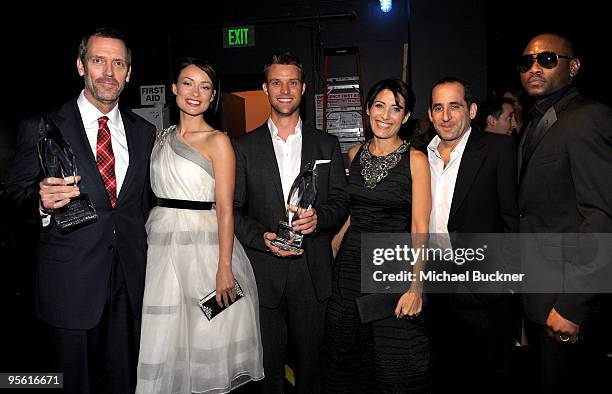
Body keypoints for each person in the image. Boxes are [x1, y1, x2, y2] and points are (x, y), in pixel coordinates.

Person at [4, 28, 156, 393]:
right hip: (69, 286)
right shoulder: (42, 126)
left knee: (124, 382)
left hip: (130, 284)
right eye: (98, 60)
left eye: (118, 63)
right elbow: (12, 196)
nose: (108, 71)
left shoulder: (144, 132)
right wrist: (39, 201)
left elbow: (145, 206)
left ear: (129, 73)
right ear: (80, 66)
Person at [135, 58, 264, 393]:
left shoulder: (218, 141)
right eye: (188, 83)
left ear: (213, 96)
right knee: (165, 335)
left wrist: (224, 268)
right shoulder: (160, 137)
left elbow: (225, 210)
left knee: (210, 332)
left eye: (205, 87)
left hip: (206, 253)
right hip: (162, 252)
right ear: (174, 88)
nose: (196, 93)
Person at [232, 52, 348, 393]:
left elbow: (341, 202)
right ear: (265, 89)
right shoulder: (243, 147)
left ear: (303, 88)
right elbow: (234, 211)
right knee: (268, 372)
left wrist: (319, 219)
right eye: (277, 82)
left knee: (312, 369)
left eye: (292, 82)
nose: (285, 90)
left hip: (311, 273)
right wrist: (261, 237)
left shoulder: (326, 143)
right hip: (264, 272)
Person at [323, 78, 433, 392]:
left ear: (406, 116)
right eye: (379, 105)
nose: (385, 115)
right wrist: (332, 249)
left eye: (395, 109)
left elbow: (419, 228)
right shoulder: (355, 153)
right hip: (350, 267)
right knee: (346, 357)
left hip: (391, 268)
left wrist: (416, 286)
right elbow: (350, 213)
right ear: (368, 109)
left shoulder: (416, 161)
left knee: (393, 361)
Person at [518, 33, 612, 393]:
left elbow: (602, 218)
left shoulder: (589, 118)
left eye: (547, 59)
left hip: (567, 304)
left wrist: (574, 305)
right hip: (539, 299)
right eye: (527, 62)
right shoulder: (535, 122)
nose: (535, 68)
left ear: (573, 67)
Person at [426, 77, 519, 393]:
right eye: (439, 107)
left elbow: (512, 220)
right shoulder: (419, 156)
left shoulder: (498, 149)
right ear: (430, 114)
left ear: (473, 110)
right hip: (436, 290)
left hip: (485, 294)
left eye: (455, 106)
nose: (446, 115)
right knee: (446, 374)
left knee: (489, 377)